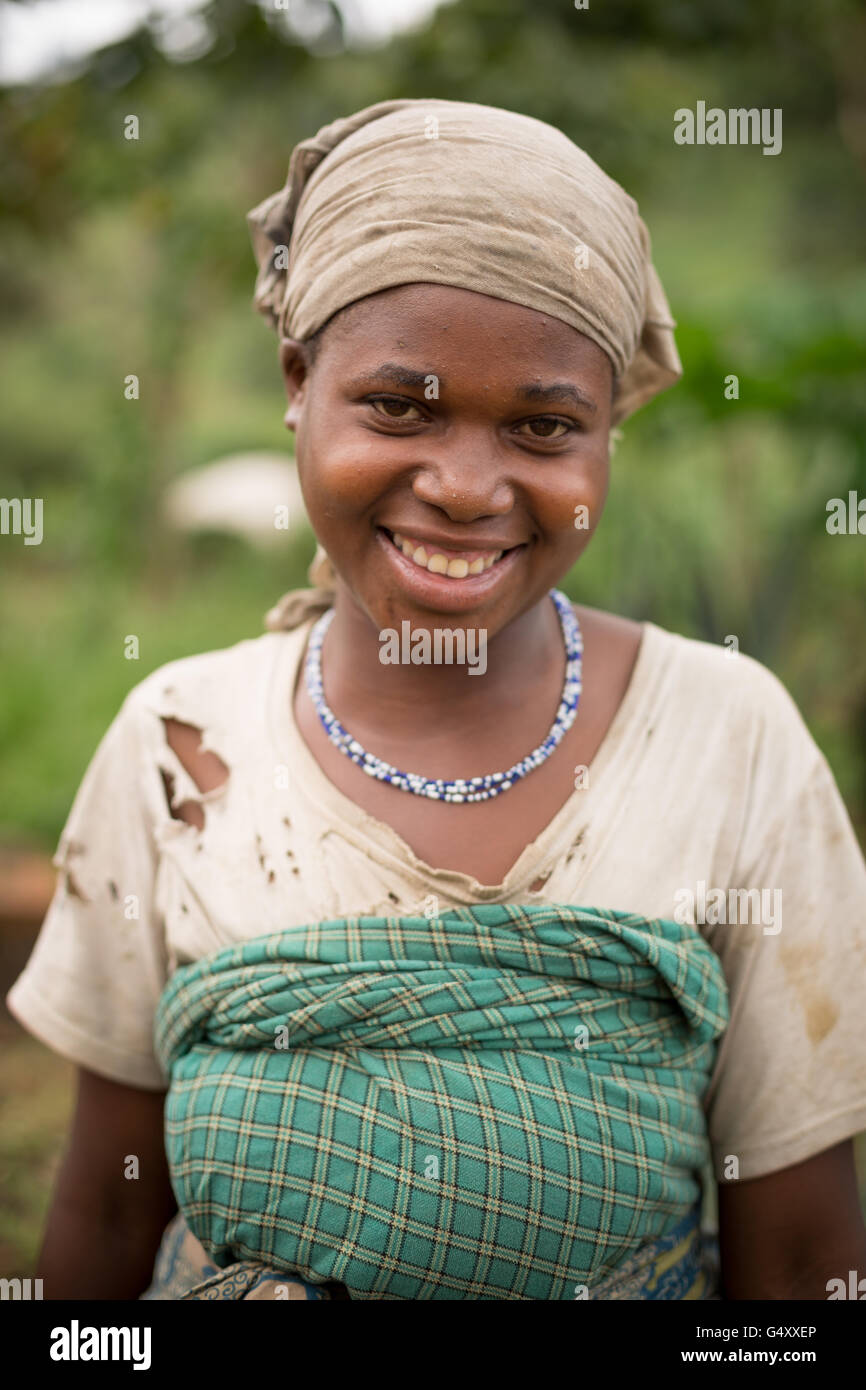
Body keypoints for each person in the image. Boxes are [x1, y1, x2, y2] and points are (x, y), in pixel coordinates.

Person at [8, 99, 866, 1301]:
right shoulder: (180, 741)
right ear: (297, 381)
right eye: (398, 407)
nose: (465, 485)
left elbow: (798, 1255)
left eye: (541, 425)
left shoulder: (727, 734)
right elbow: (105, 1207)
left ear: (604, 432)